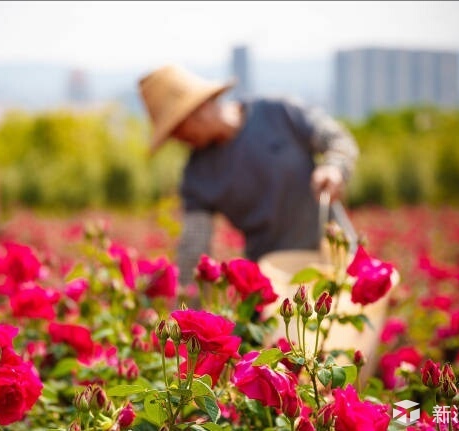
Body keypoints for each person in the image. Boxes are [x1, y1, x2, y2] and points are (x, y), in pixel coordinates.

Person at [137, 64, 359, 288]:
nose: (178, 139)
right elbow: (194, 246)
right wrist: (186, 307)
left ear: (198, 110)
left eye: (177, 129)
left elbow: (338, 140)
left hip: (336, 258)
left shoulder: (278, 112)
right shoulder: (197, 176)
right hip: (272, 280)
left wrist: (335, 167)